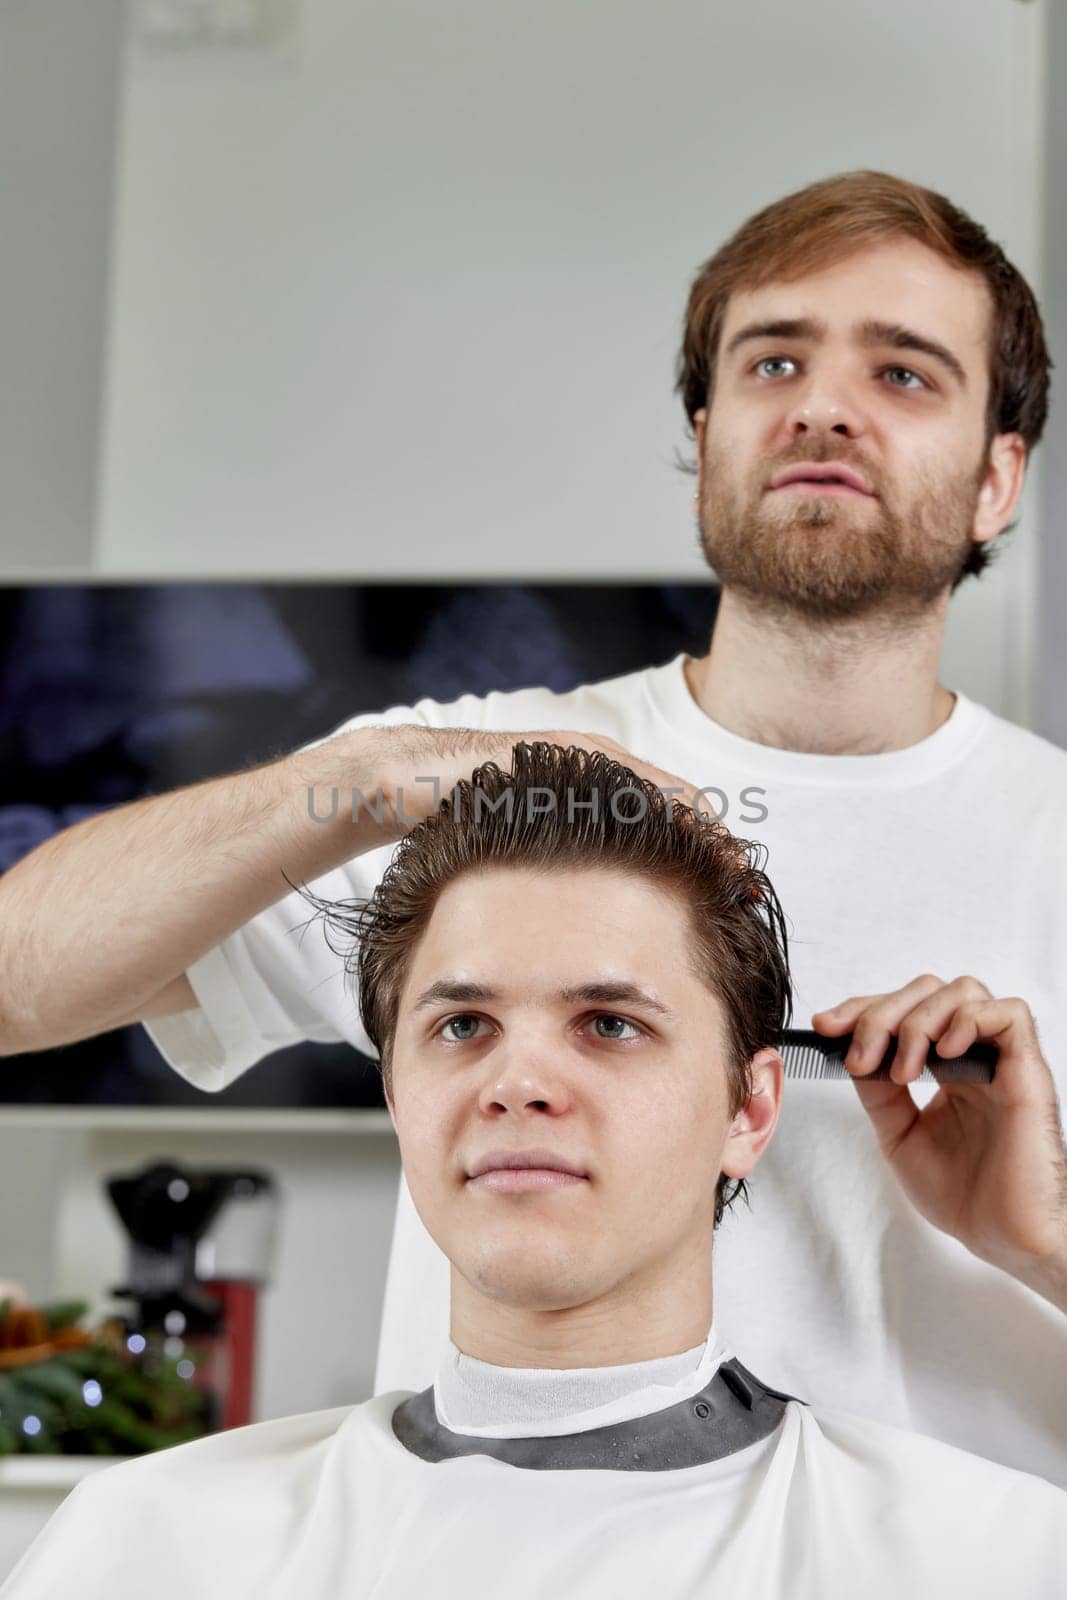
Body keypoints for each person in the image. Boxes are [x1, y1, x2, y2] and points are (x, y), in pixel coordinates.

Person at [1, 169, 1066, 1481]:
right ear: (703, 439)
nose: (824, 406)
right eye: (770, 360)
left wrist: (1041, 1239)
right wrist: (380, 777)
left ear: (994, 482)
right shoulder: (454, 777)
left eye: (901, 374)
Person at [3, 748, 1063, 1600]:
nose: (517, 1082)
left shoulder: (980, 1554)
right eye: (462, 1023)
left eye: (608, 1023)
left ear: (747, 1108)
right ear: (396, 1095)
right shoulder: (155, 1545)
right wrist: (374, 770)